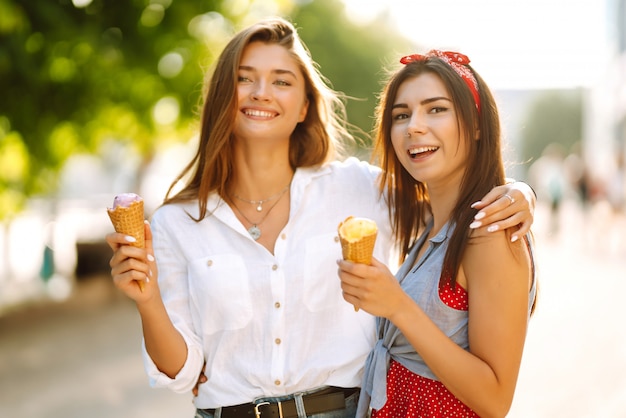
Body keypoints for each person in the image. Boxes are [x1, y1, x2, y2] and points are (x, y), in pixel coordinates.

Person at [106, 18, 536, 418]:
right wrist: (147, 301)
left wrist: (521, 193)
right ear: (223, 95)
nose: (261, 92)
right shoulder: (175, 223)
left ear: (305, 106)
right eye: (244, 78)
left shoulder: (362, 189)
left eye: (281, 80)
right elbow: (183, 372)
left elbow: (454, 203)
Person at [337, 50, 538, 418]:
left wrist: (396, 305)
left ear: (477, 125)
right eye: (401, 115)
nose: (413, 126)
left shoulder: (489, 233)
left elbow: (495, 399)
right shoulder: (432, 228)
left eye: (436, 109)